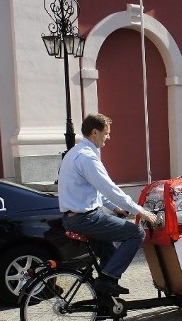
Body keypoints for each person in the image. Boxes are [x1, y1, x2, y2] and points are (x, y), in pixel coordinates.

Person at [58, 113, 158, 296]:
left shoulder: (75, 152)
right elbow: (110, 189)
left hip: (75, 217)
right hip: (86, 218)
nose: (108, 137)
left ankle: (106, 299)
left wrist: (115, 209)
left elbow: (95, 191)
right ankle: (107, 280)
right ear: (95, 132)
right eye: (106, 133)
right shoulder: (87, 157)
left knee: (111, 255)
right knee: (136, 233)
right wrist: (140, 211)